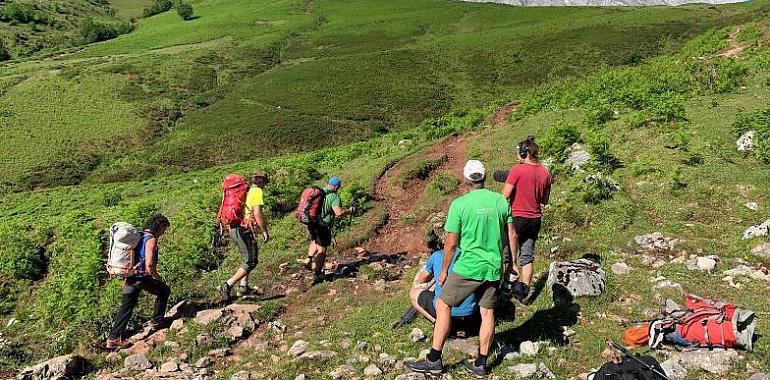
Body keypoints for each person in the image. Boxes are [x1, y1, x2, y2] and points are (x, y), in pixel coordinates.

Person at [407, 160, 516, 377]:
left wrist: (445, 270)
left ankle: (434, 360)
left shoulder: (460, 204)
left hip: (469, 267)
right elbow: (511, 235)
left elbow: (450, 243)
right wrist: (512, 265)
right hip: (493, 267)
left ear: (466, 180)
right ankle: (481, 364)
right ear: (484, 178)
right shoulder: (500, 201)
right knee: (488, 312)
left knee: (443, 303)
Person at [106, 214, 172, 349]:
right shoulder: (151, 239)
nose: (163, 232)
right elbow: (149, 264)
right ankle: (157, 322)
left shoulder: (138, 236)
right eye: (163, 229)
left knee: (127, 306)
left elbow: (131, 257)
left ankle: (113, 337)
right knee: (164, 290)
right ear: (158, 227)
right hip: (142, 277)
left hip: (131, 276)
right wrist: (156, 276)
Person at [501, 136, 552, 293]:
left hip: (517, 217)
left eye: (518, 152)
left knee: (508, 254)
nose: (517, 155)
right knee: (527, 256)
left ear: (525, 153)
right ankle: (524, 292)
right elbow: (544, 200)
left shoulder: (517, 169)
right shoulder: (546, 174)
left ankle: (507, 286)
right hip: (535, 219)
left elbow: (505, 195)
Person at [220, 172, 270, 304]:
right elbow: (257, 212)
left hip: (235, 228)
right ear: (262, 182)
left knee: (247, 257)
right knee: (251, 261)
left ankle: (244, 287)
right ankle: (227, 285)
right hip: (244, 229)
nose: (265, 185)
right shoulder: (256, 192)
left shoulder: (245, 190)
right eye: (265, 182)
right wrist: (264, 231)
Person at [305, 177, 355, 283]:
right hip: (323, 226)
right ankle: (317, 274)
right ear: (336, 187)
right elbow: (339, 213)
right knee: (322, 251)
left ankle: (308, 259)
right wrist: (349, 211)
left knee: (314, 240)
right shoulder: (334, 196)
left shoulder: (318, 193)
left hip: (312, 223)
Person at [410, 248, 479, 325]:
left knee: (413, 293)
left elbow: (421, 279)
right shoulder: (473, 255)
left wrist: (431, 270)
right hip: (471, 317)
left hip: (445, 315)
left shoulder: (437, 255)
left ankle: (437, 323)